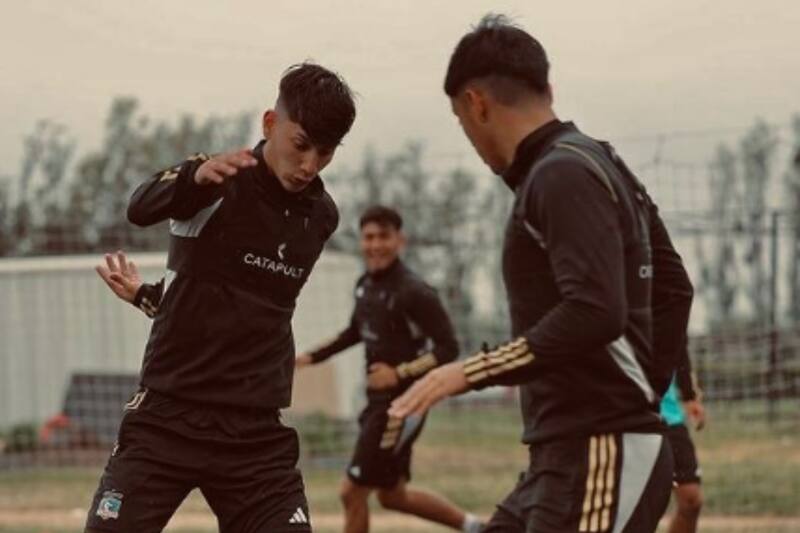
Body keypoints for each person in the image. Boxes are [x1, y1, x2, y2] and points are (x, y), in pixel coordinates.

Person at [390, 15, 694, 533]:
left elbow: (595, 310)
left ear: (475, 104)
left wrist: (468, 371)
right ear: (546, 89)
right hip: (565, 453)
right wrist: (644, 389)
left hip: (601, 450)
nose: (470, 138)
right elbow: (673, 288)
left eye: (462, 124)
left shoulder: (558, 174)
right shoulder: (597, 161)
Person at [87, 62, 356, 533]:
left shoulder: (322, 216)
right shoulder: (216, 180)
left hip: (255, 434)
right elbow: (139, 206)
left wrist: (150, 298)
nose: (310, 165)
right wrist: (193, 176)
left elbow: (247, 304)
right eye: (300, 145)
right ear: (271, 124)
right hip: (168, 417)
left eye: (326, 152)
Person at [294, 205, 483, 533]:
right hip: (378, 403)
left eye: (384, 236)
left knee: (350, 492)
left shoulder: (415, 291)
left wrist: (399, 373)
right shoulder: (365, 284)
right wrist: (309, 358)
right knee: (392, 496)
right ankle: (477, 527)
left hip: (402, 405)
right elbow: (354, 332)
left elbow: (447, 347)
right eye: (369, 237)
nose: (376, 244)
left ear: (400, 241)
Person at [662, 343, 706, 533]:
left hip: (669, 415)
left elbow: (677, 340)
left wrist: (689, 394)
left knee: (691, 499)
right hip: (628, 413)